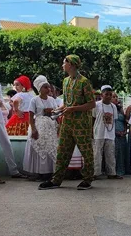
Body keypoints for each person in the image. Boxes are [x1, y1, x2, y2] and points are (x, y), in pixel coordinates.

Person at [38, 55, 95, 191]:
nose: (62, 65)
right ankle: (56, 180)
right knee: (62, 150)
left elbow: (92, 104)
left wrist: (74, 109)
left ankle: (87, 179)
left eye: (65, 62)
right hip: (67, 122)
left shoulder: (84, 82)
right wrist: (59, 109)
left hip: (81, 124)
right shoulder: (65, 81)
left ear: (72, 64)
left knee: (86, 152)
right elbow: (67, 103)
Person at [24, 76, 58, 181]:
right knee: (38, 148)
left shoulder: (52, 100)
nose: (48, 89)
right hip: (38, 126)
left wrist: (52, 113)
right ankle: (38, 173)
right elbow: (31, 116)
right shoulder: (34, 100)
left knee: (50, 149)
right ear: (39, 89)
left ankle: (48, 172)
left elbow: (56, 114)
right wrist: (33, 129)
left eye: (48, 87)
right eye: (45, 87)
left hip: (50, 127)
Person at [92, 85, 122, 180]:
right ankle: (95, 173)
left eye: (110, 94)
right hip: (98, 133)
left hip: (110, 134)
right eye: (106, 94)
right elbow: (92, 118)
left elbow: (114, 120)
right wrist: (91, 131)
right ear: (102, 95)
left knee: (110, 154)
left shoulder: (113, 107)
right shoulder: (96, 105)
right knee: (97, 154)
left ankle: (111, 173)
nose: (109, 96)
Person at [113, 92, 130, 176]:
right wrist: (115, 132)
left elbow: (124, 121)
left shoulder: (120, 109)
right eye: (113, 97)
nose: (116, 98)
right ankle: (113, 171)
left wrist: (124, 131)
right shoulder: (109, 109)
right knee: (115, 152)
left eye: (116, 97)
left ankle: (122, 170)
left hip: (122, 133)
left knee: (122, 152)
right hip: (113, 134)